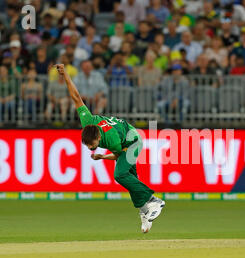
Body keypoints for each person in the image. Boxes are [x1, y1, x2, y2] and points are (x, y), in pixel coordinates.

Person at [55, 63, 165, 233]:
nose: (91, 148)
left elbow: (119, 155)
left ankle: (153, 200)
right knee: (130, 180)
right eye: (88, 145)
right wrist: (65, 75)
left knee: (120, 174)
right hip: (123, 138)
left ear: (98, 137)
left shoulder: (111, 139)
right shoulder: (87, 121)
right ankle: (144, 210)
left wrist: (103, 157)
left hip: (132, 141)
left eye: (93, 145)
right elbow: (76, 97)